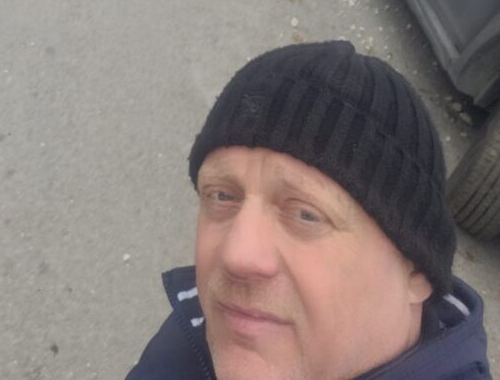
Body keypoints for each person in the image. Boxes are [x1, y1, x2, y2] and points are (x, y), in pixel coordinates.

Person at [125, 40, 490, 380]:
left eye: (306, 214)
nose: (236, 255)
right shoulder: (207, 325)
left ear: (417, 272)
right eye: (223, 196)